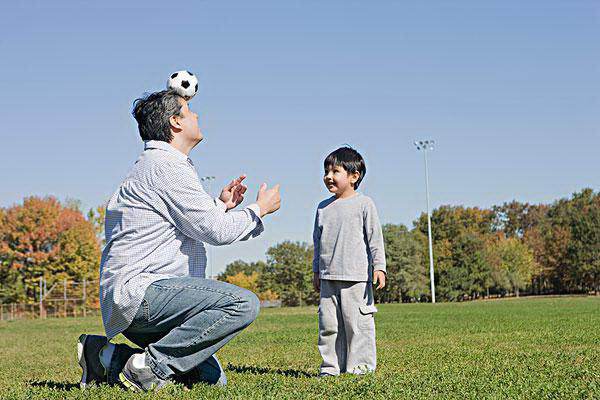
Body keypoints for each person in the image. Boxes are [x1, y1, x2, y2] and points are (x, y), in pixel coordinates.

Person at [77, 89, 281, 391]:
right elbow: (215, 231)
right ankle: (149, 367)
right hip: (144, 297)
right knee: (243, 304)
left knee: (211, 380)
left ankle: (105, 356)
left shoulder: (155, 167)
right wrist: (259, 210)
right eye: (190, 111)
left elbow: (190, 222)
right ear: (175, 122)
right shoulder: (166, 167)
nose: (197, 116)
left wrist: (221, 205)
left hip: (134, 301)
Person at [312, 146, 386, 376]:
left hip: (356, 277)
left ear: (354, 176)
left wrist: (379, 267)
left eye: (335, 171)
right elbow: (317, 242)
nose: (328, 176)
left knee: (357, 325)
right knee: (329, 327)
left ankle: (360, 366)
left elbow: (375, 238)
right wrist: (316, 271)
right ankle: (331, 367)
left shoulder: (364, 204)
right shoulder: (322, 208)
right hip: (328, 278)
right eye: (326, 171)